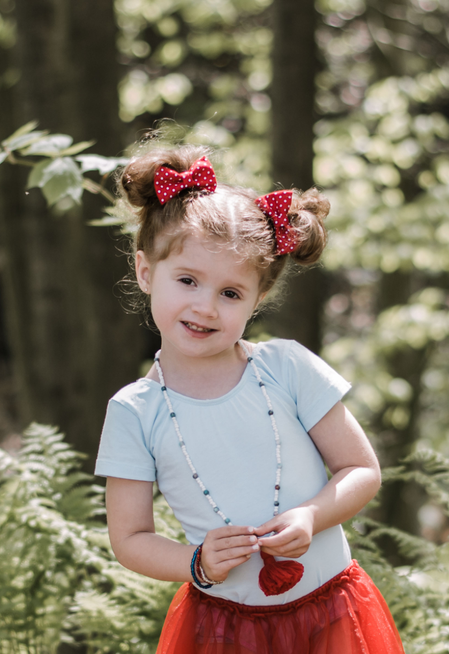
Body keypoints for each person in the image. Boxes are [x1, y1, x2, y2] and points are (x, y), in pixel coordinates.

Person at [95, 145, 405, 654]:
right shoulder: (135, 411)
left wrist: (311, 515)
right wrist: (195, 562)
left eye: (231, 293)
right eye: (188, 280)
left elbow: (361, 469)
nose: (205, 306)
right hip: (223, 630)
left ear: (257, 300)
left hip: (332, 615)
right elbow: (129, 539)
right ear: (147, 271)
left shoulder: (286, 368)